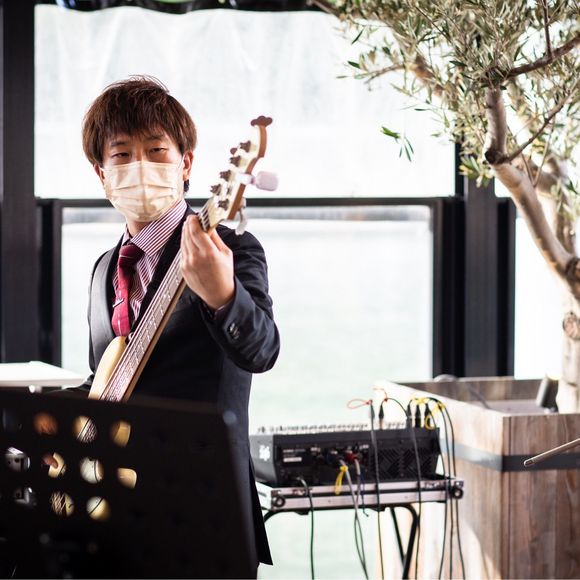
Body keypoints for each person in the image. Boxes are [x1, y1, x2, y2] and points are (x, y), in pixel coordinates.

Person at [81, 76, 280, 570]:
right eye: (121, 154)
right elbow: (103, 379)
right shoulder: (104, 269)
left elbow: (262, 350)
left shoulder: (229, 249)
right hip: (111, 514)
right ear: (101, 174)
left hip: (203, 514)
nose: (140, 166)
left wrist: (222, 295)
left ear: (186, 163)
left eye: (156, 151)